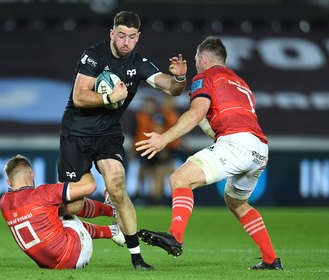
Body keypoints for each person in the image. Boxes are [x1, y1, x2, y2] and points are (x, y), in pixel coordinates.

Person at [135, 36, 283, 270]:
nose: (195, 64)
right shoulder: (241, 83)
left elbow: (196, 113)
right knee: (236, 202)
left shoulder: (205, 76)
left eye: (196, 59)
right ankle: (271, 260)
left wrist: (164, 138)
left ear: (203, 58)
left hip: (236, 142)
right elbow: (216, 120)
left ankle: (176, 236)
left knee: (179, 179)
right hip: (259, 148)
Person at [57, 11, 187, 270]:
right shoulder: (93, 56)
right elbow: (80, 96)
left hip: (108, 133)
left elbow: (170, 87)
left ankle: (136, 258)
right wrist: (110, 98)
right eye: (121, 36)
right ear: (112, 34)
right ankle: (107, 214)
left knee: (117, 185)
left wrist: (179, 78)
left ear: (138, 37)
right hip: (76, 134)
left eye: (131, 37)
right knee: (72, 204)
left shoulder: (139, 63)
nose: (126, 42)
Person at [0, 154, 125, 270]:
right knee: (71, 203)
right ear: (32, 174)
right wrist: (84, 170)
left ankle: (113, 229)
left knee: (50, 212)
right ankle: (112, 214)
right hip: (77, 253)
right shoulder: (43, 193)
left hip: (49, 265)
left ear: (8, 182)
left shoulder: (4, 202)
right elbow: (90, 187)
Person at [133, 96, 181, 204]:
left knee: (158, 173)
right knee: (152, 173)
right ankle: (153, 198)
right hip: (152, 147)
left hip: (159, 148)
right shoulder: (157, 115)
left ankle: (157, 198)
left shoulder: (161, 115)